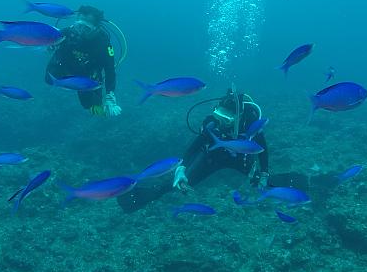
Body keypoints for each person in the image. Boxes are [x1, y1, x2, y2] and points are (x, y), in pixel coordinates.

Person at [119, 88, 304, 212]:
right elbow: (195, 144)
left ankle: (299, 185)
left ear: (238, 116)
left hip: (241, 158)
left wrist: (263, 172)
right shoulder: (214, 124)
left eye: (226, 117)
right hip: (214, 156)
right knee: (182, 182)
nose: (221, 120)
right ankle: (145, 194)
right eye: (219, 115)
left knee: (263, 182)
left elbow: (261, 149)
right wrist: (181, 168)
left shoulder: (249, 123)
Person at [45, 5, 122, 117]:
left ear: (96, 27)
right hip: (65, 66)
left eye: (85, 28)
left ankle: (89, 93)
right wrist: (48, 44)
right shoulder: (67, 33)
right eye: (78, 26)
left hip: (88, 73)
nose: (80, 31)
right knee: (49, 79)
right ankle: (69, 83)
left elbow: (110, 70)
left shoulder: (103, 43)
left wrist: (110, 95)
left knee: (91, 106)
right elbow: (46, 41)